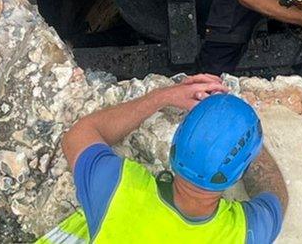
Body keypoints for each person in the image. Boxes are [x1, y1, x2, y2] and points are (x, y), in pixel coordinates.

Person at [37, 74, 288, 243]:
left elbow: (79, 135)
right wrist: (243, 137)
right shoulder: (243, 232)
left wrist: (162, 97)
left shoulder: (119, 189)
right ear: (239, 173)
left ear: (173, 147)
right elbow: (276, 195)